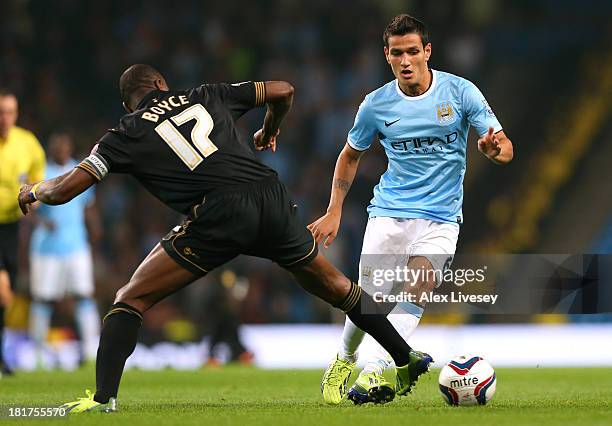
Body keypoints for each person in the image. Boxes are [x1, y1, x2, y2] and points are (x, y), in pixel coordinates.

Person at [18, 64, 428, 413]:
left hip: (220, 213)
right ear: (161, 84)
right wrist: (270, 128)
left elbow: (65, 189)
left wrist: (33, 191)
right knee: (340, 288)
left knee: (130, 298)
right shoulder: (205, 94)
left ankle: (104, 399)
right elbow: (283, 90)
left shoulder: (124, 132)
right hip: (269, 195)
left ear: (129, 103)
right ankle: (404, 357)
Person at [311, 14, 513, 405]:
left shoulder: (460, 92)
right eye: (397, 53)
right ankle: (344, 357)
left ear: (427, 52)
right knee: (368, 296)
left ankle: (374, 371)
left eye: (413, 52)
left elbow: (504, 145)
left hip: (441, 219)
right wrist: (334, 209)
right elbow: (350, 156)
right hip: (389, 213)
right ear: (387, 55)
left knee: (417, 287)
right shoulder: (376, 105)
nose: (406, 60)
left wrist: (494, 151)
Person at [29, 133, 101, 367]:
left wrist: (95, 229)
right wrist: (42, 222)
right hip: (46, 248)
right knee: (44, 299)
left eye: (65, 146)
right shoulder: (42, 173)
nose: (61, 150)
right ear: (51, 149)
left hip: (77, 245)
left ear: (70, 148)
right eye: (57, 147)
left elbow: (88, 205)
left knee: (84, 295)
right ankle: (38, 353)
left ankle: (90, 349)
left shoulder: (79, 171)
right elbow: (29, 210)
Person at [0, 89, 46, 376]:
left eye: (9, 112)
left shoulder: (27, 143)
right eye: (1, 112)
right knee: (2, 291)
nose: (5, 118)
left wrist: (34, 197)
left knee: (8, 293)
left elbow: (38, 181)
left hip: (11, 227)